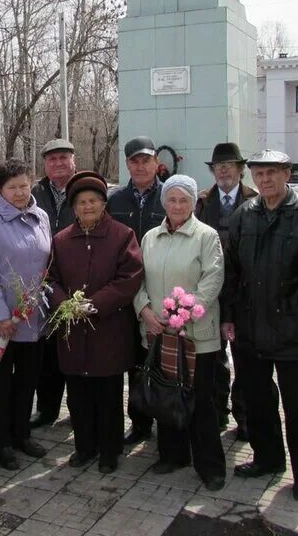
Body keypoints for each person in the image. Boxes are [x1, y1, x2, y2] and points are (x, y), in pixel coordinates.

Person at [221, 150, 298, 503]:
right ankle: (267, 458)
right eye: (259, 173)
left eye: (272, 173)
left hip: (294, 330)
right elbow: (232, 272)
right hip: (250, 328)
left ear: (288, 174)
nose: (265, 179)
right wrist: (228, 316)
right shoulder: (243, 216)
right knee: (257, 401)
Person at [133, 174, 226, 489]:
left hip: (195, 335)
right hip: (159, 333)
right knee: (166, 397)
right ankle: (172, 455)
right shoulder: (150, 237)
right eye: (171, 199)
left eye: (183, 200)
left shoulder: (206, 236)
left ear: (193, 203)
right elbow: (137, 280)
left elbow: (212, 280)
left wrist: (183, 314)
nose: (177, 206)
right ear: (164, 203)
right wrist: (145, 310)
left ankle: (210, 466)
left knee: (200, 401)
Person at [49, 171, 143, 473]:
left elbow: (130, 277)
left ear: (104, 204)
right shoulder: (62, 240)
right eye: (81, 202)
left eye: (93, 201)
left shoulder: (122, 235)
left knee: (108, 394)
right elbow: (50, 279)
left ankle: (109, 450)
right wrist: (63, 302)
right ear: (73, 207)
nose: (87, 207)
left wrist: (97, 303)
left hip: (108, 330)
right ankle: (84, 447)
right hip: (73, 331)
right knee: (77, 394)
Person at [0, 159, 52, 470]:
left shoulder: (41, 216)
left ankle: (22, 434)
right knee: (0, 385)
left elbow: (47, 262)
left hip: (33, 318)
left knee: (27, 381)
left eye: (24, 185)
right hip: (1, 322)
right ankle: (2, 442)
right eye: (12, 187)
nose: (20, 192)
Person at [195, 142, 257, 440]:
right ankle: (217, 412)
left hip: (244, 292)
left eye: (229, 165)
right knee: (214, 357)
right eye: (218, 166)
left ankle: (245, 417)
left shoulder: (254, 200)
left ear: (240, 169)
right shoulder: (203, 203)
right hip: (211, 292)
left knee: (245, 357)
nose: (223, 170)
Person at [107, 135, 166, 446]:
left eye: (146, 160)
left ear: (156, 162)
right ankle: (140, 422)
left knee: (165, 361)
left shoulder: (170, 195)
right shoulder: (115, 201)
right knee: (135, 362)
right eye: (134, 161)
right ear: (127, 164)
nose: (141, 166)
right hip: (127, 293)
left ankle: (168, 418)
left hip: (163, 290)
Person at [29, 138, 76, 429]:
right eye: (52, 159)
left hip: (77, 279)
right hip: (42, 281)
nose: (58, 163)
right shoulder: (34, 192)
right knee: (46, 351)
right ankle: (46, 410)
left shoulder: (85, 187)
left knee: (75, 347)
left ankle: (77, 408)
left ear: (74, 161)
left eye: (63, 158)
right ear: (45, 164)